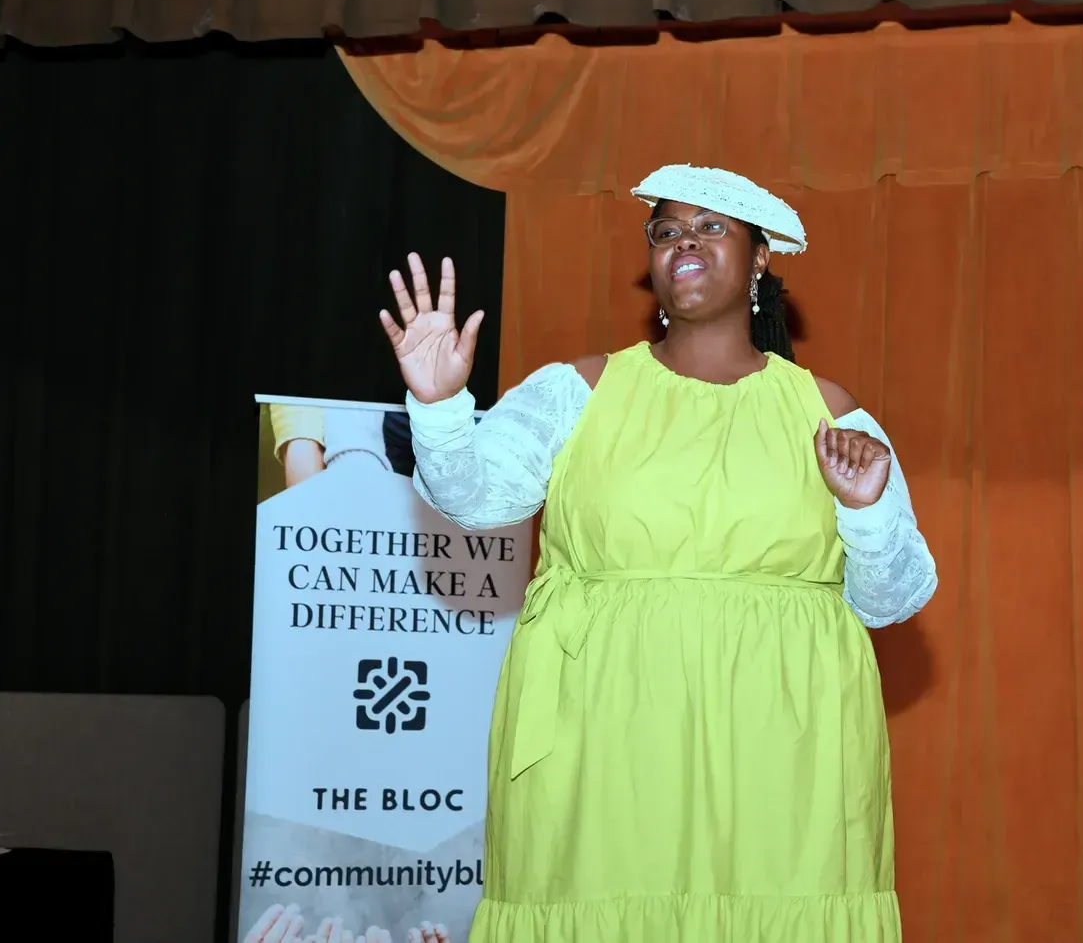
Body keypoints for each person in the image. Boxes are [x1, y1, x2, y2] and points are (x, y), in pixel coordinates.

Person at [379, 165, 938, 942]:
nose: (685, 242)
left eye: (712, 228)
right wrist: (439, 408)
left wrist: (868, 510)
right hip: (602, 731)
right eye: (668, 229)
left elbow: (893, 598)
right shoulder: (578, 390)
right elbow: (474, 500)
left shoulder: (829, 412)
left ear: (760, 258)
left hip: (783, 742)